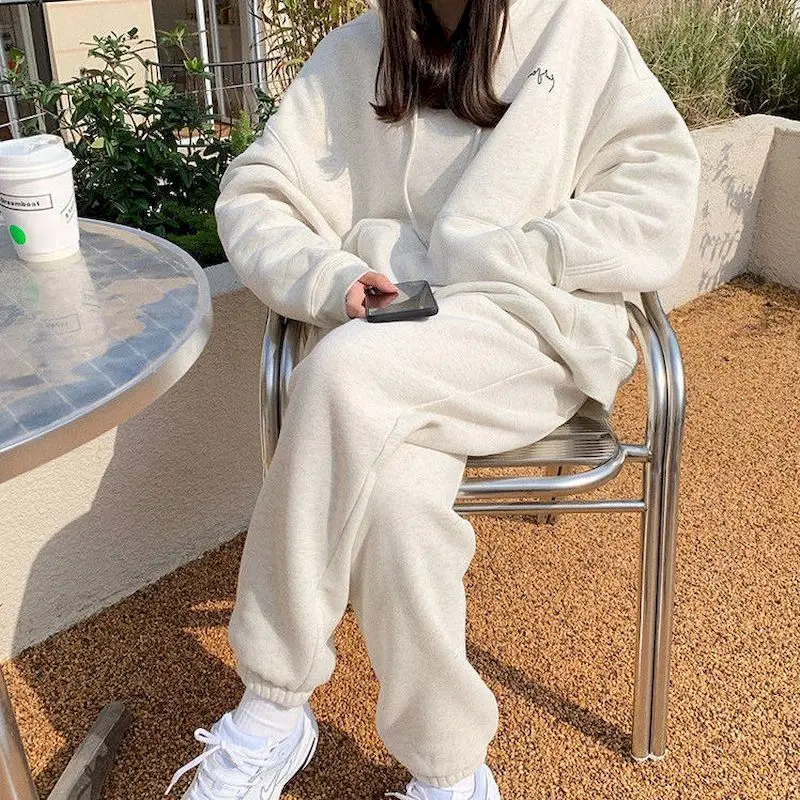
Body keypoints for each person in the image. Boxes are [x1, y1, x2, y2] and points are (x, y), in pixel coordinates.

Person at [165, 0, 701, 797]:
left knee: (340, 374)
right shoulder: (352, 55)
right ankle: (451, 773)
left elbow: (658, 192)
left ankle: (272, 705)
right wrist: (330, 277)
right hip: (398, 326)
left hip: (528, 326)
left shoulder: (574, 28)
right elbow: (255, 192)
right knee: (396, 507)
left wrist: (530, 252)